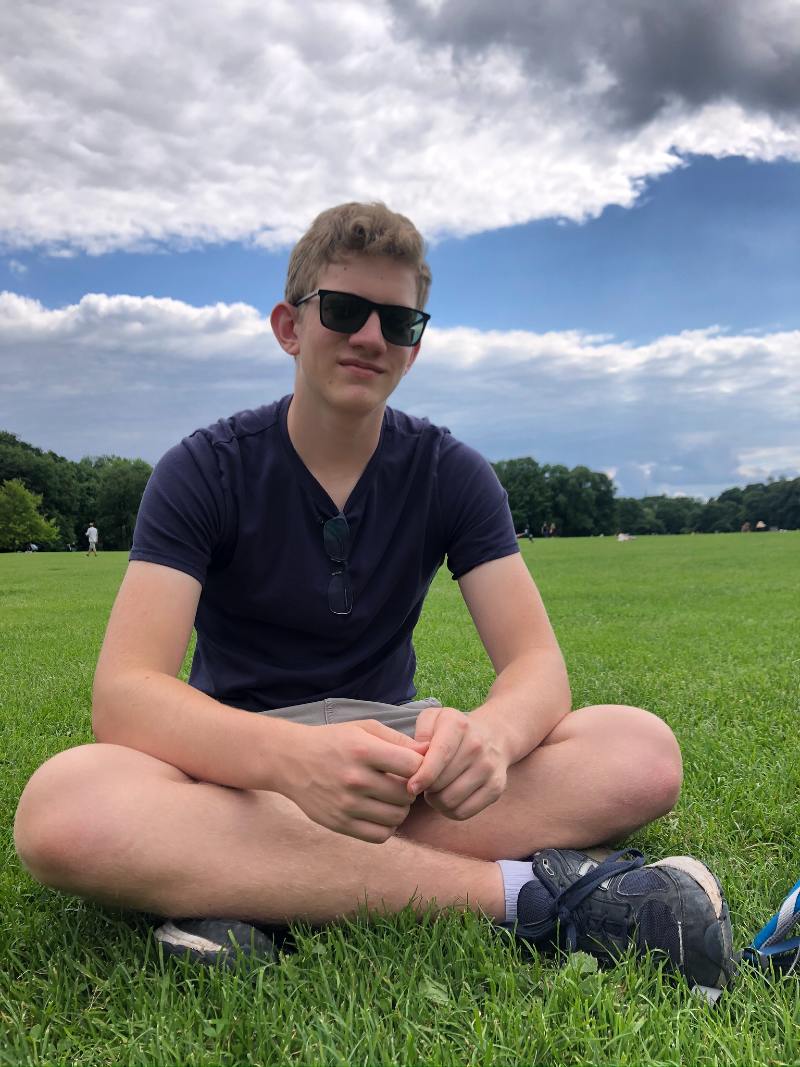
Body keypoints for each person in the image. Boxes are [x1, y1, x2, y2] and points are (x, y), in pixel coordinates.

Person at [13, 202, 734, 991]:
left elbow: (536, 663)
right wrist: (290, 764)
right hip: (238, 763)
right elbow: (125, 695)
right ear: (290, 327)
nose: (370, 338)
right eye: (346, 310)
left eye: (398, 322)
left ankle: (240, 882)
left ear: (415, 346)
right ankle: (524, 896)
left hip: (395, 766)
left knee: (638, 749)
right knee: (63, 807)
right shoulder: (203, 468)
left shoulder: (450, 470)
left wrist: (491, 736)